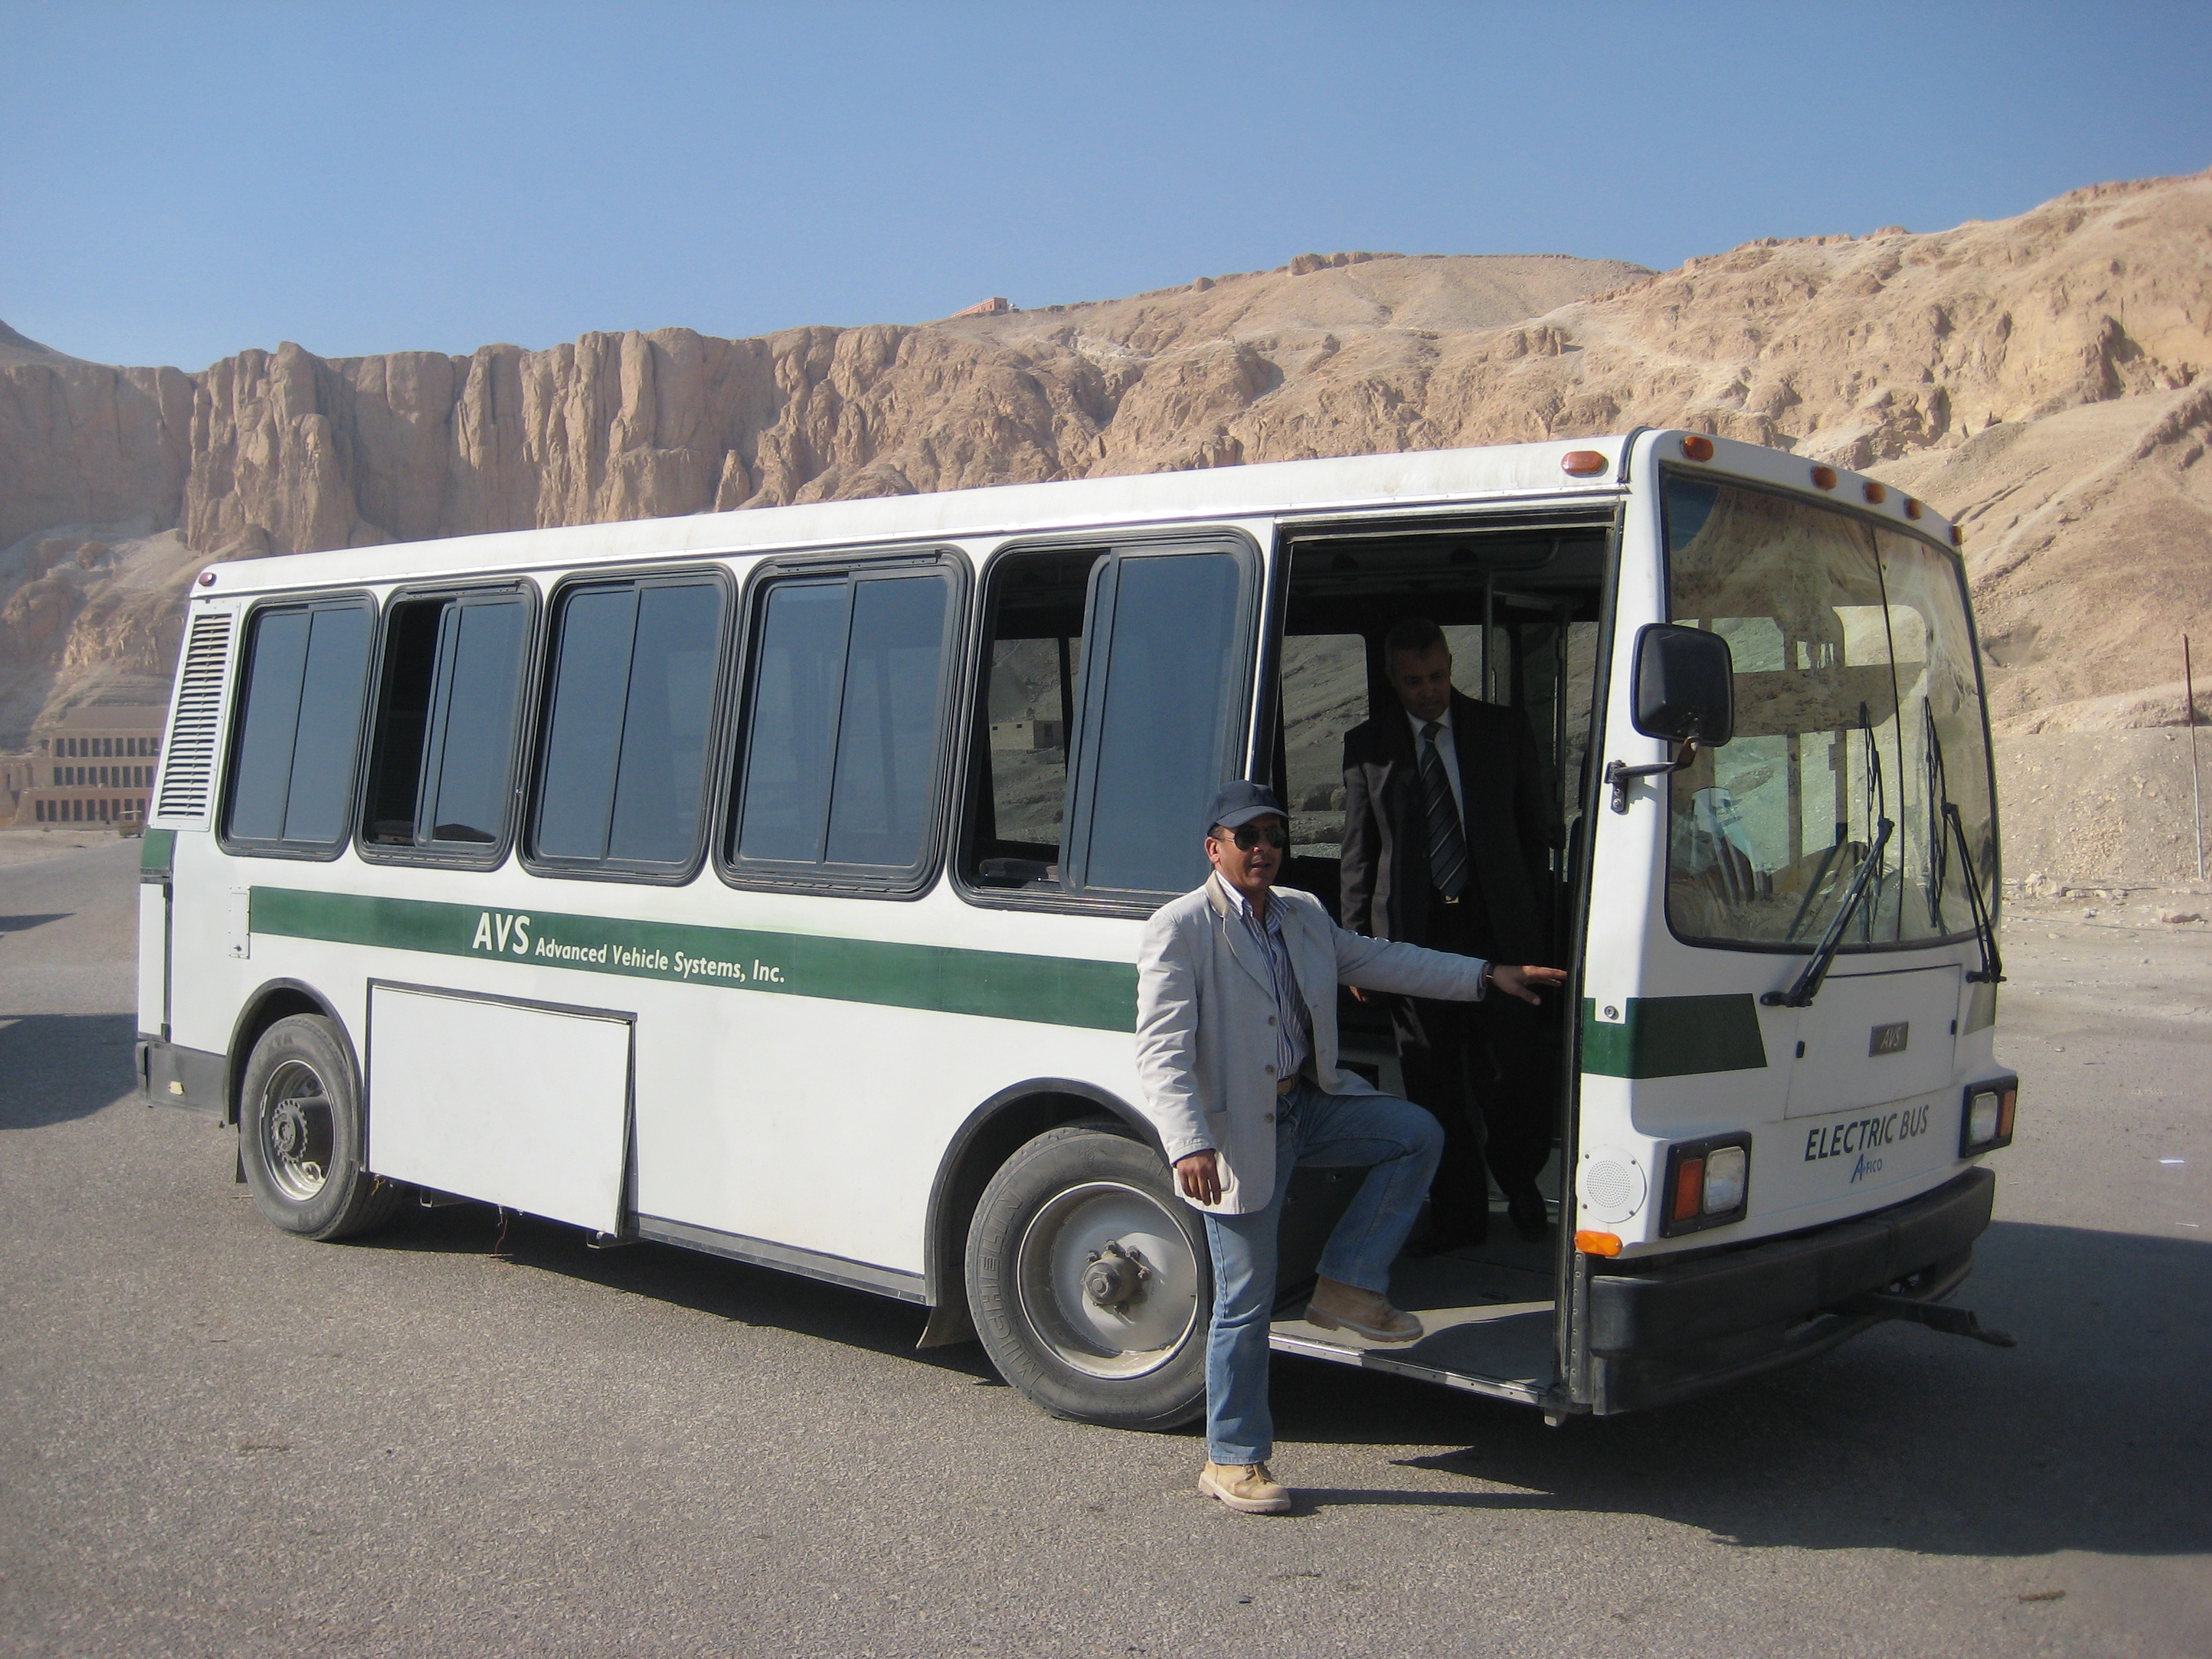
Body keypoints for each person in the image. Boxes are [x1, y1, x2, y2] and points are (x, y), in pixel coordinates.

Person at [1136, 780, 1565, 1516]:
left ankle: (1348, 1283)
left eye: (1274, 834)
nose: (1264, 848)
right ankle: (1233, 1459)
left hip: (1310, 1105)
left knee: (1414, 1134)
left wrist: (1485, 977)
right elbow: (1160, 1051)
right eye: (1248, 838)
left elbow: (1383, 959)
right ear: (1215, 849)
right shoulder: (1181, 928)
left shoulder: (1302, 914)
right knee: (1246, 1303)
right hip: (1238, 1131)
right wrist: (1189, 1144)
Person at [1341, 619, 1560, 1249]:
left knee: (1509, 1075)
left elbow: (1531, 835)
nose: (1429, 691)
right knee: (1433, 1083)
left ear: (1449, 667)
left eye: (1438, 676)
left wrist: (1535, 932)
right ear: (1394, 679)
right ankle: (1458, 1213)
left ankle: (1519, 1185)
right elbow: (1360, 853)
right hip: (1415, 937)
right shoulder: (1369, 745)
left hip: (1496, 931)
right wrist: (1358, 951)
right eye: (1414, 682)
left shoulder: (1501, 730)